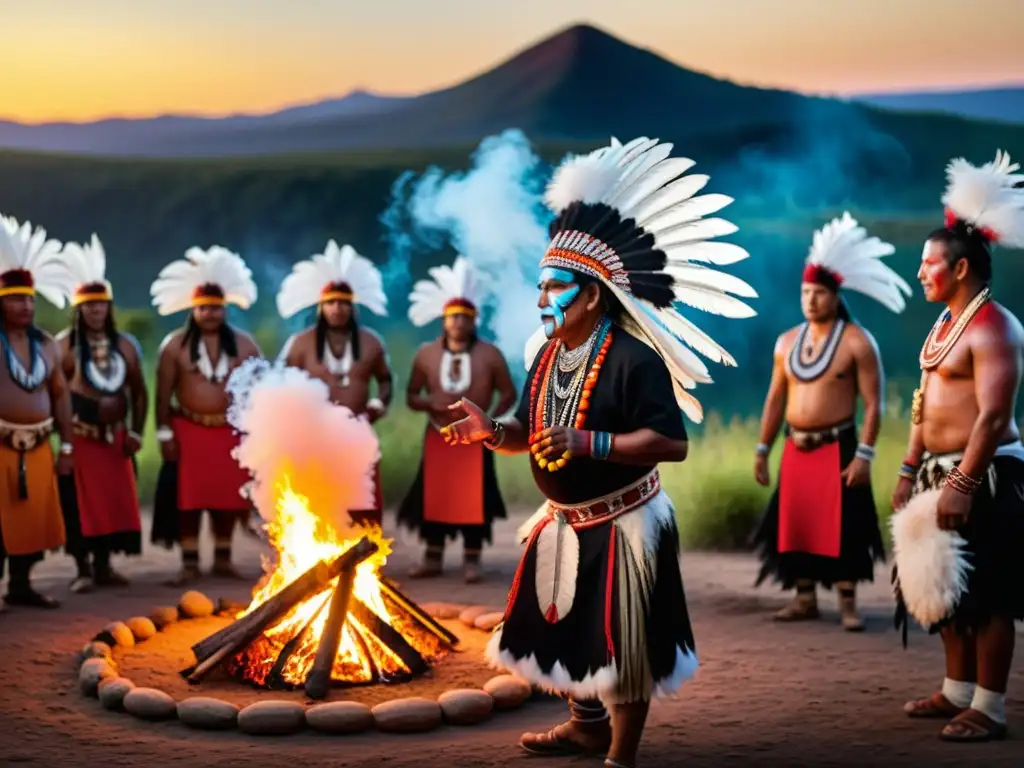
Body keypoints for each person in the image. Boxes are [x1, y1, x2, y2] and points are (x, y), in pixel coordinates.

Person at [441, 137, 758, 768]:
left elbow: (674, 443)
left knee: (623, 647)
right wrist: (492, 433)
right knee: (566, 631)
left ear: (590, 295)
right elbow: (533, 431)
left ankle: (620, 754)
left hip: (623, 523)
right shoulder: (547, 354)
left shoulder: (636, 360)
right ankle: (585, 727)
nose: (540, 299)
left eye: (553, 286)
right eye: (539, 286)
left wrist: (592, 441)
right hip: (565, 522)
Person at [892, 150, 1024, 742]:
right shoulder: (945, 325)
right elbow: (924, 406)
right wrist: (908, 468)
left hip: (986, 472)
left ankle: (989, 708)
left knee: (990, 591)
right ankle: (955, 691)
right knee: (949, 588)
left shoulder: (994, 325)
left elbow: (994, 414)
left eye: (929, 265)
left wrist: (963, 483)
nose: (920, 272)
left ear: (963, 269)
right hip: (938, 471)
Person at [750, 213, 911, 630]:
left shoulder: (858, 341)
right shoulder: (786, 342)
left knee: (845, 527)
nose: (810, 300)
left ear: (835, 296)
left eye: (818, 293)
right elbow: (774, 398)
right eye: (805, 292)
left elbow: (874, 404)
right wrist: (763, 449)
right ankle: (804, 600)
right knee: (796, 523)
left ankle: (848, 605)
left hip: (838, 446)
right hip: (794, 445)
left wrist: (865, 454)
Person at [397, 255, 516, 583]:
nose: (458, 323)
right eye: (452, 317)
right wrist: (428, 405)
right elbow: (411, 395)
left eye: (464, 317)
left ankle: (471, 561)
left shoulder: (490, 355)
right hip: (438, 436)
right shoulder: (426, 354)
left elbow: (509, 393)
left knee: (475, 498)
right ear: (443, 319)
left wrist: (489, 420)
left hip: (476, 437)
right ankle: (432, 557)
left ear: (474, 320)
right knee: (435, 496)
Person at [150, 245, 262, 585]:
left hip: (230, 431)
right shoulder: (174, 346)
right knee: (189, 498)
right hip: (188, 429)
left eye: (216, 308)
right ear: (192, 309)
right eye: (203, 308)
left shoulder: (245, 346)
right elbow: (162, 394)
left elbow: (259, 393)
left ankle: (223, 559)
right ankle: (189, 562)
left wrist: (258, 436)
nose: (210, 314)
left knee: (227, 498)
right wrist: (164, 434)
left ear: (225, 308)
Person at [276, 240, 393, 526]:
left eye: (343, 302)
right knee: (318, 501)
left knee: (362, 499)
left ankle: (365, 556)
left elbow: (386, 380)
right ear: (320, 306)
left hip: (357, 431)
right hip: (314, 436)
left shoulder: (371, 342)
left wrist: (378, 402)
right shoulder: (300, 344)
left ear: (353, 307)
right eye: (331, 303)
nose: (337, 308)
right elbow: (280, 387)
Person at [55, 234, 146, 593]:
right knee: (80, 504)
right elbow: (56, 394)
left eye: (101, 305)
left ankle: (105, 566)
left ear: (110, 307)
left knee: (111, 503)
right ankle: (83, 568)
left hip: (114, 440)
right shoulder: (63, 344)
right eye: (89, 306)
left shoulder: (126, 345)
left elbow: (139, 392)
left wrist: (137, 432)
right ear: (78, 309)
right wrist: (68, 433)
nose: (96, 311)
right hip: (80, 437)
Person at [0, 214, 73, 610]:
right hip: (1, 443)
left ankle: (21, 585)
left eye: (29, 298)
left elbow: (60, 394)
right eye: (15, 298)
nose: (25, 305)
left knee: (30, 518)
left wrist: (67, 447)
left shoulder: (47, 344)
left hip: (40, 443)